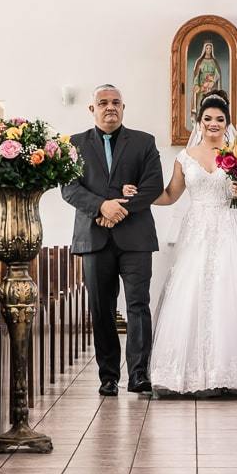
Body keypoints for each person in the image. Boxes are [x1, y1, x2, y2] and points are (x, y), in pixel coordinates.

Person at [123, 90, 237, 396]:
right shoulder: (185, 158)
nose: (213, 123)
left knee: (232, 296)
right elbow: (169, 195)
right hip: (197, 233)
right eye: (207, 118)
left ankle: (235, 373)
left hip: (231, 233)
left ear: (227, 123)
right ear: (199, 122)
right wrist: (139, 194)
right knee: (193, 295)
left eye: (220, 119)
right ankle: (194, 374)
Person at [61, 84, 164, 397]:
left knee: (138, 305)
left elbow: (153, 186)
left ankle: (139, 375)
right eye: (103, 102)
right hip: (94, 238)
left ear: (123, 107)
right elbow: (69, 188)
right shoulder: (74, 144)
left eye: (116, 102)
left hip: (136, 238)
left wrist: (118, 209)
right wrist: (101, 207)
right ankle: (108, 377)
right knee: (101, 309)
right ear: (92, 109)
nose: (110, 107)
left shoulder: (144, 142)